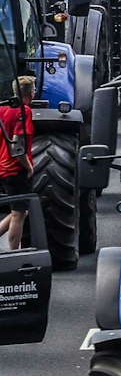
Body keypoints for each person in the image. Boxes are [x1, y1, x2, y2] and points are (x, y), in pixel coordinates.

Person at [0, 76, 35, 251]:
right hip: (15, 169)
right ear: (31, 92)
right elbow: (17, 144)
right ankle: (14, 253)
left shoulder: (3, 110)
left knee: (20, 210)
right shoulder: (24, 111)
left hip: (2, 167)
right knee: (18, 214)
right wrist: (28, 167)